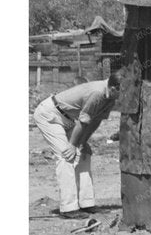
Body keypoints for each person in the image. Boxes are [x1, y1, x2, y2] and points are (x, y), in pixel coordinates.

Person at [33, 71, 121, 218]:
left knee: (84, 153)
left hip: (68, 118)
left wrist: (83, 142)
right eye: (122, 91)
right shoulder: (97, 93)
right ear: (114, 88)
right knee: (65, 155)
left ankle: (87, 203)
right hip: (50, 114)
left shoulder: (110, 98)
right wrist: (73, 144)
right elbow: (83, 121)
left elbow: (95, 120)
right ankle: (68, 208)